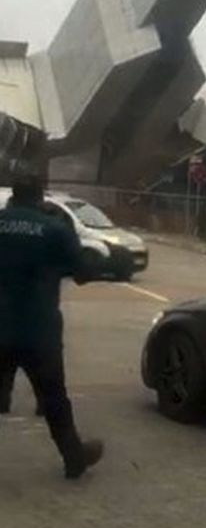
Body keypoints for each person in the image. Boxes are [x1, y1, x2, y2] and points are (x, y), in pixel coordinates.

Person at [0, 175, 103, 479]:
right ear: (40, 197)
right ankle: (74, 458)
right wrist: (68, 233)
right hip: (38, 331)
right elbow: (84, 272)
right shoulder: (54, 229)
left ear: (13, 196)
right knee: (54, 398)